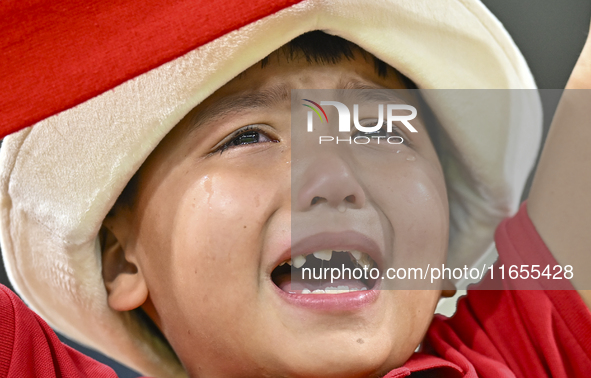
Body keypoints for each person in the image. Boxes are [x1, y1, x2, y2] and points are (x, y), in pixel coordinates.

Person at [0, 1, 590, 377]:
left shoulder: (522, 355)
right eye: (248, 136)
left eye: (381, 130)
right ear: (118, 260)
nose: (335, 180)